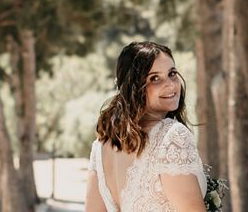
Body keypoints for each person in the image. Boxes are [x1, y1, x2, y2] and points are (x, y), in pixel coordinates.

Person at [85, 41, 207, 212]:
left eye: (172, 73)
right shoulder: (171, 136)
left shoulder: (100, 147)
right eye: (154, 78)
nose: (171, 85)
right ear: (133, 87)